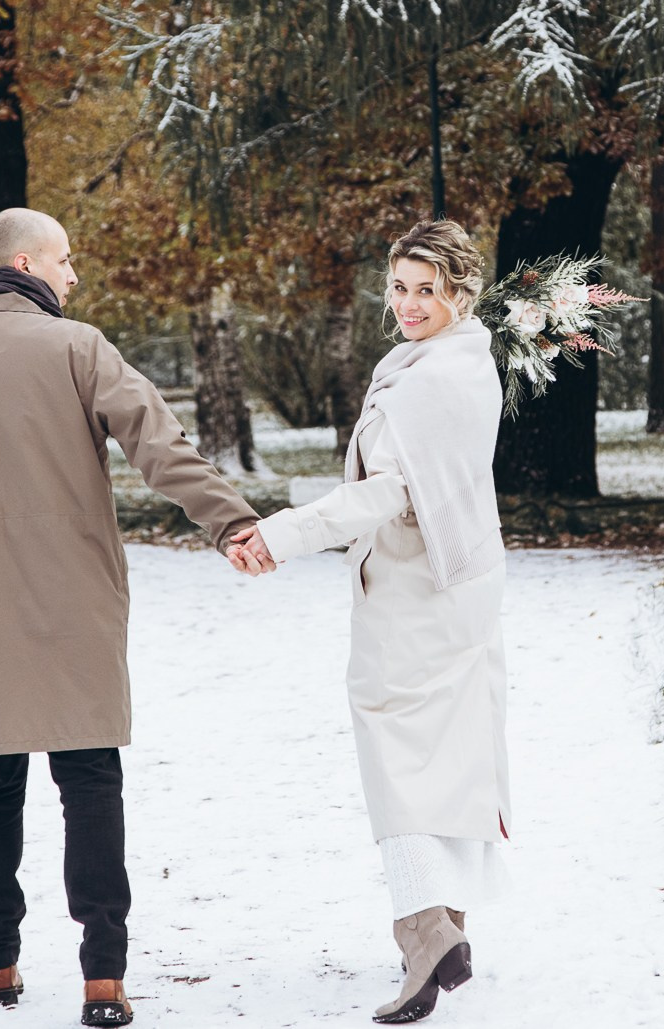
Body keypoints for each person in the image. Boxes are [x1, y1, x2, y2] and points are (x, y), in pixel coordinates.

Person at [0, 207, 274, 1027]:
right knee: (89, 777)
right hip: (77, 594)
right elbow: (161, 446)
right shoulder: (78, 347)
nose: (74, 274)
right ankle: (103, 977)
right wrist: (231, 520)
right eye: (66, 259)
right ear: (26, 261)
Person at [229, 219, 508, 1026]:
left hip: (414, 591)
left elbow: (385, 492)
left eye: (429, 289)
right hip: (464, 583)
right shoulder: (465, 358)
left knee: (398, 760)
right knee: (452, 754)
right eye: (400, 287)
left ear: (460, 289)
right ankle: (448, 920)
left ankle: (424, 931)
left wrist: (281, 534)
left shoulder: (425, 379)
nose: (410, 304)